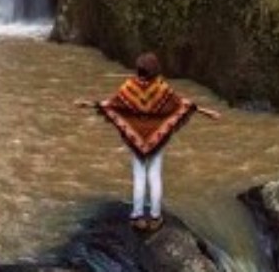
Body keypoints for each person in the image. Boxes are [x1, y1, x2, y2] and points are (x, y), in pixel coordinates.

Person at [72, 52, 222, 232]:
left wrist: (88, 103)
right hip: (157, 139)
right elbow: (183, 104)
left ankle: (137, 216)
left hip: (136, 140)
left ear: (139, 70)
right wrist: (207, 112)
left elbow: (110, 104)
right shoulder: (161, 88)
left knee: (139, 177)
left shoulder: (130, 87)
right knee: (155, 176)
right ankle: (155, 216)